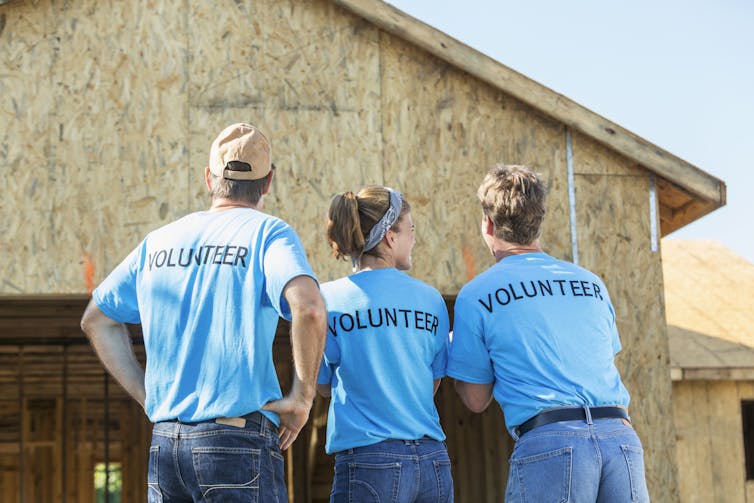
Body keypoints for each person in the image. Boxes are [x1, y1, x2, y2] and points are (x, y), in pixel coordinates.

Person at [80, 123, 327, 502]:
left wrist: (149, 397)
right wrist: (302, 396)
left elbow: (96, 319)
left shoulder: (157, 242)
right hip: (236, 440)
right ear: (268, 182)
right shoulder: (268, 234)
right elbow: (309, 308)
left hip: (166, 446)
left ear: (209, 178)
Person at [447, 164, 650, 503]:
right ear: (538, 223)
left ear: (489, 224)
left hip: (554, 443)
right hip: (622, 440)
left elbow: (475, 399)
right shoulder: (591, 284)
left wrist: (455, 351)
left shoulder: (477, 294)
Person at [316, 186, 454, 503]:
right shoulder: (431, 299)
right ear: (390, 237)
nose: (414, 239)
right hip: (432, 460)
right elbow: (429, 383)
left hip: (369, 461)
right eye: (411, 230)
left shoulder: (328, 300)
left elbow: (322, 386)